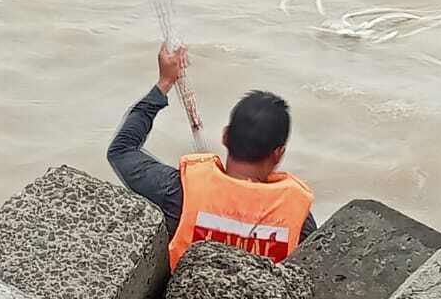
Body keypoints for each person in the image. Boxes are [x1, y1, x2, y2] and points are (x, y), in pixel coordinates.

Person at [108, 45, 315, 270]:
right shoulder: (298, 216)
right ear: (278, 153)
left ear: (226, 136)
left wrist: (164, 83)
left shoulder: (179, 192)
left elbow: (122, 150)